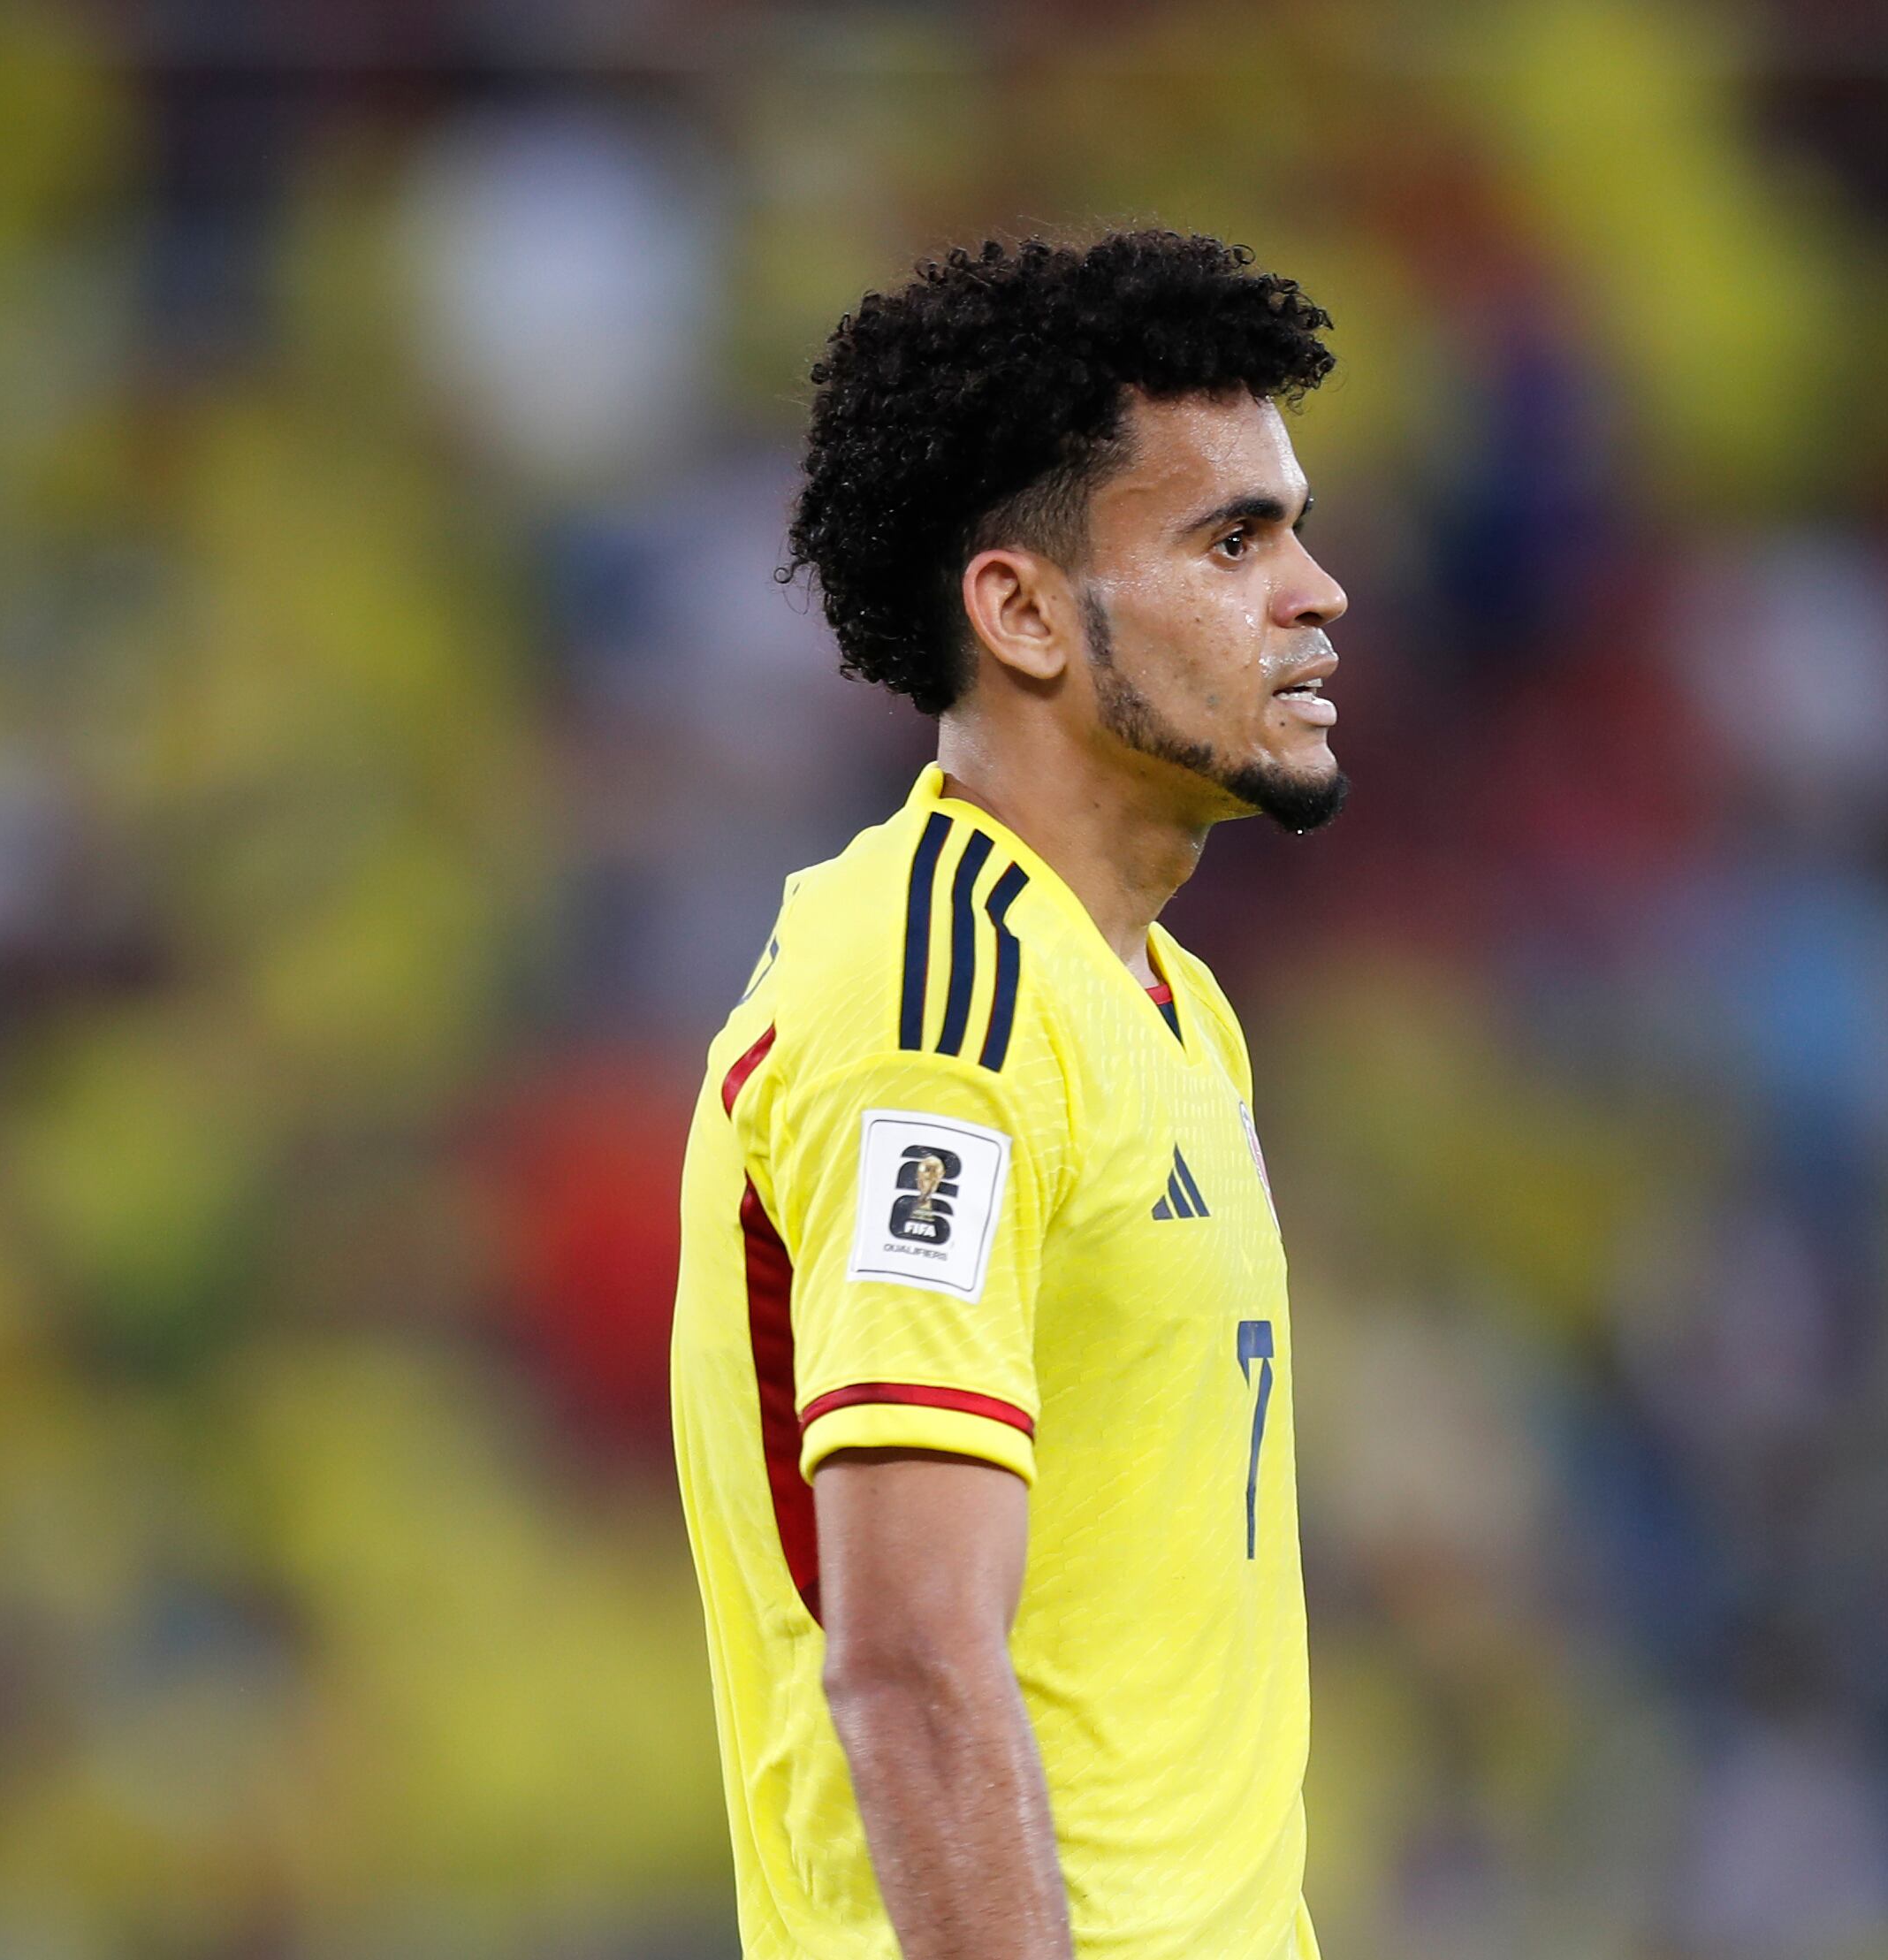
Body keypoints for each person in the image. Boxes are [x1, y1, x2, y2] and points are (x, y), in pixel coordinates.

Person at [671, 231, 1348, 1960]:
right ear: (1024, 610)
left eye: (1296, 526)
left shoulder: (1165, 1002)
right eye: (1232, 536)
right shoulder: (935, 1004)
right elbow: (907, 1654)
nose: (1316, 590)